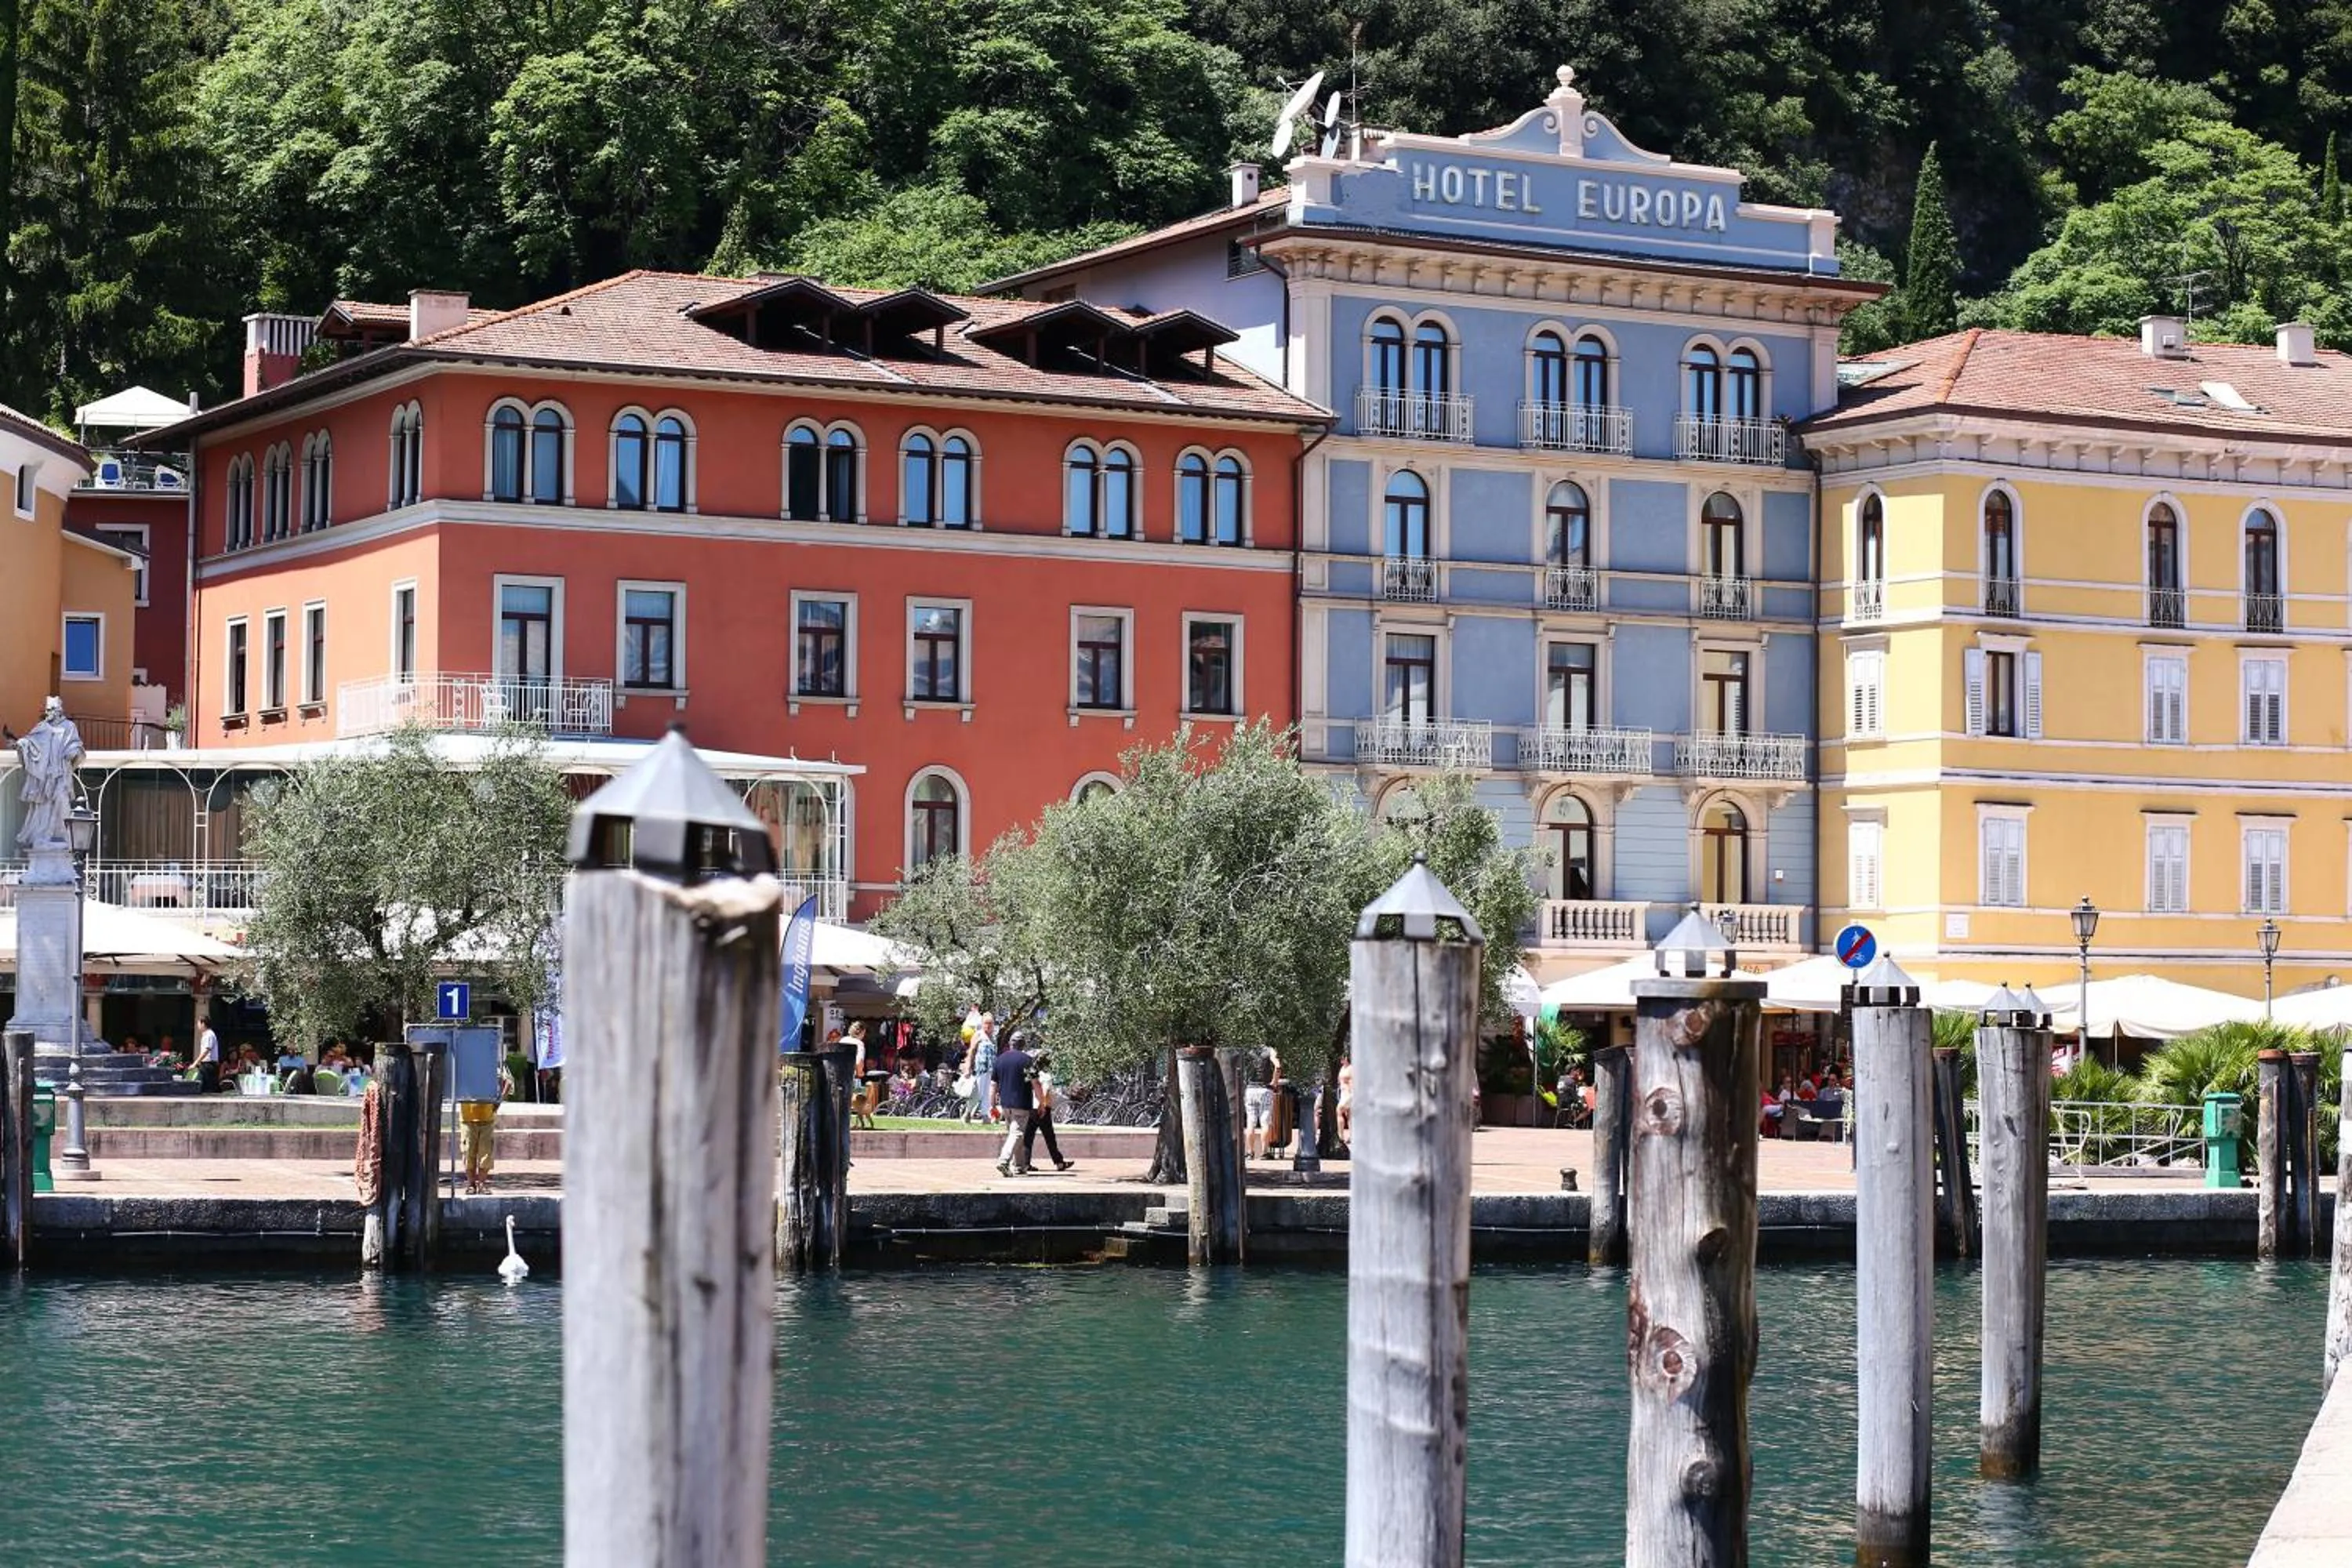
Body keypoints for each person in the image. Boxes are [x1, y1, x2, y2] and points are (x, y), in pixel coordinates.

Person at [459, 1062, 514, 1195]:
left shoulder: (493, 1064)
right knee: (468, 1153)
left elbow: (508, 1082)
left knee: (486, 1154)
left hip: (487, 1118)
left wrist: (498, 1102)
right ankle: (471, 1184)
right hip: (467, 1118)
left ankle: (482, 1184)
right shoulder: (464, 1064)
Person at [1022, 1049, 1076, 1173]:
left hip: (1031, 1108)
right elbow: (1045, 1092)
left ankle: (1025, 1163)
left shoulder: (1031, 1073)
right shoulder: (1046, 1076)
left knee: (1028, 1137)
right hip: (1042, 1108)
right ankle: (1059, 1162)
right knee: (1049, 1137)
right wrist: (1044, 1106)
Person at [991, 1029, 1036, 1176]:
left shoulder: (1000, 1060)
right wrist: (1042, 1102)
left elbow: (993, 1085)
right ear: (1023, 1044)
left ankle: (1019, 1166)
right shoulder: (1028, 1060)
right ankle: (1004, 1161)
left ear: (1011, 1044)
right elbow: (1036, 1083)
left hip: (1006, 1105)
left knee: (1016, 1134)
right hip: (1022, 1104)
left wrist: (992, 1105)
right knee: (1017, 1133)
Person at [1242, 1046, 1279, 1160]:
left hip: (1250, 1090)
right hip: (1265, 1090)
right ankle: (1264, 1152)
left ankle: (1250, 1152)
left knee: (1250, 1122)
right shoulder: (1270, 1050)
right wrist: (1274, 1082)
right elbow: (1278, 1066)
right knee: (1265, 1123)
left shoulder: (1248, 1051)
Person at [964, 1014, 1000, 1124]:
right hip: (980, 1069)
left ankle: (985, 1115)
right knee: (978, 1093)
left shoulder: (994, 1038)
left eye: (991, 1023)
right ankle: (968, 1112)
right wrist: (968, 1067)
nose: (988, 1026)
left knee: (988, 1093)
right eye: (986, 1023)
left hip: (991, 1069)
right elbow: (971, 1051)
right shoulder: (978, 1035)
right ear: (982, 1024)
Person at [194, 1018, 221, 1094]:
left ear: (203, 1024)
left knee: (209, 1088)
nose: (197, 1026)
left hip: (209, 1065)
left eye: (198, 1023)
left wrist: (195, 1063)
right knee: (205, 1087)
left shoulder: (209, 1035)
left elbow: (206, 1051)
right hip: (206, 1064)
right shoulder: (206, 1035)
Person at [1335, 1052, 1354, 1146]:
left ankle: (1341, 1136)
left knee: (1339, 1110)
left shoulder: (1351, 1068)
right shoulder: (1343, 1068)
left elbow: (1352, 1082)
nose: (1341, 1059)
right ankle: (1352, 1136)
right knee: (1349, 1114)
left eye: (1343, 1057)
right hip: (1343, 1092)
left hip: (1349, 1093)